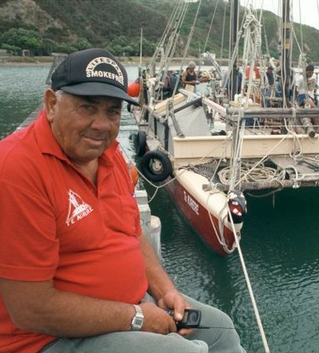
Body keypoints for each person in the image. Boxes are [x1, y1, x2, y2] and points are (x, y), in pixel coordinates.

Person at [0, 48, 245, 353]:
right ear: (51, 104)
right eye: (87, 108)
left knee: (221, 330)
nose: (102, 125)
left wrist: (165, 291)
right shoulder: (17, 170)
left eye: (112, 111)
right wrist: (138, 318)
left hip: (129, 305)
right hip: (47, 339)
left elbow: (131, 233)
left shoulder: (110, 155)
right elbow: (31, 309)